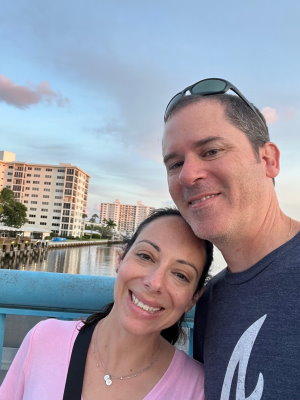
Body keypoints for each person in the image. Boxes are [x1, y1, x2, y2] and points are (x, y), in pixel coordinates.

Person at [162, 78, 300, 399]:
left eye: (211, 151)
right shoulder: (211, 301)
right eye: (175, 163)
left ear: (268, 161)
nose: (187, 174)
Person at [0, 208, 213, 400]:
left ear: (193, 298)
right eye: (145, 256)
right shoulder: (44, 339)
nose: (155, 282)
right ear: (120, 260)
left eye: (180, 275)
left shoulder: (197, 389)